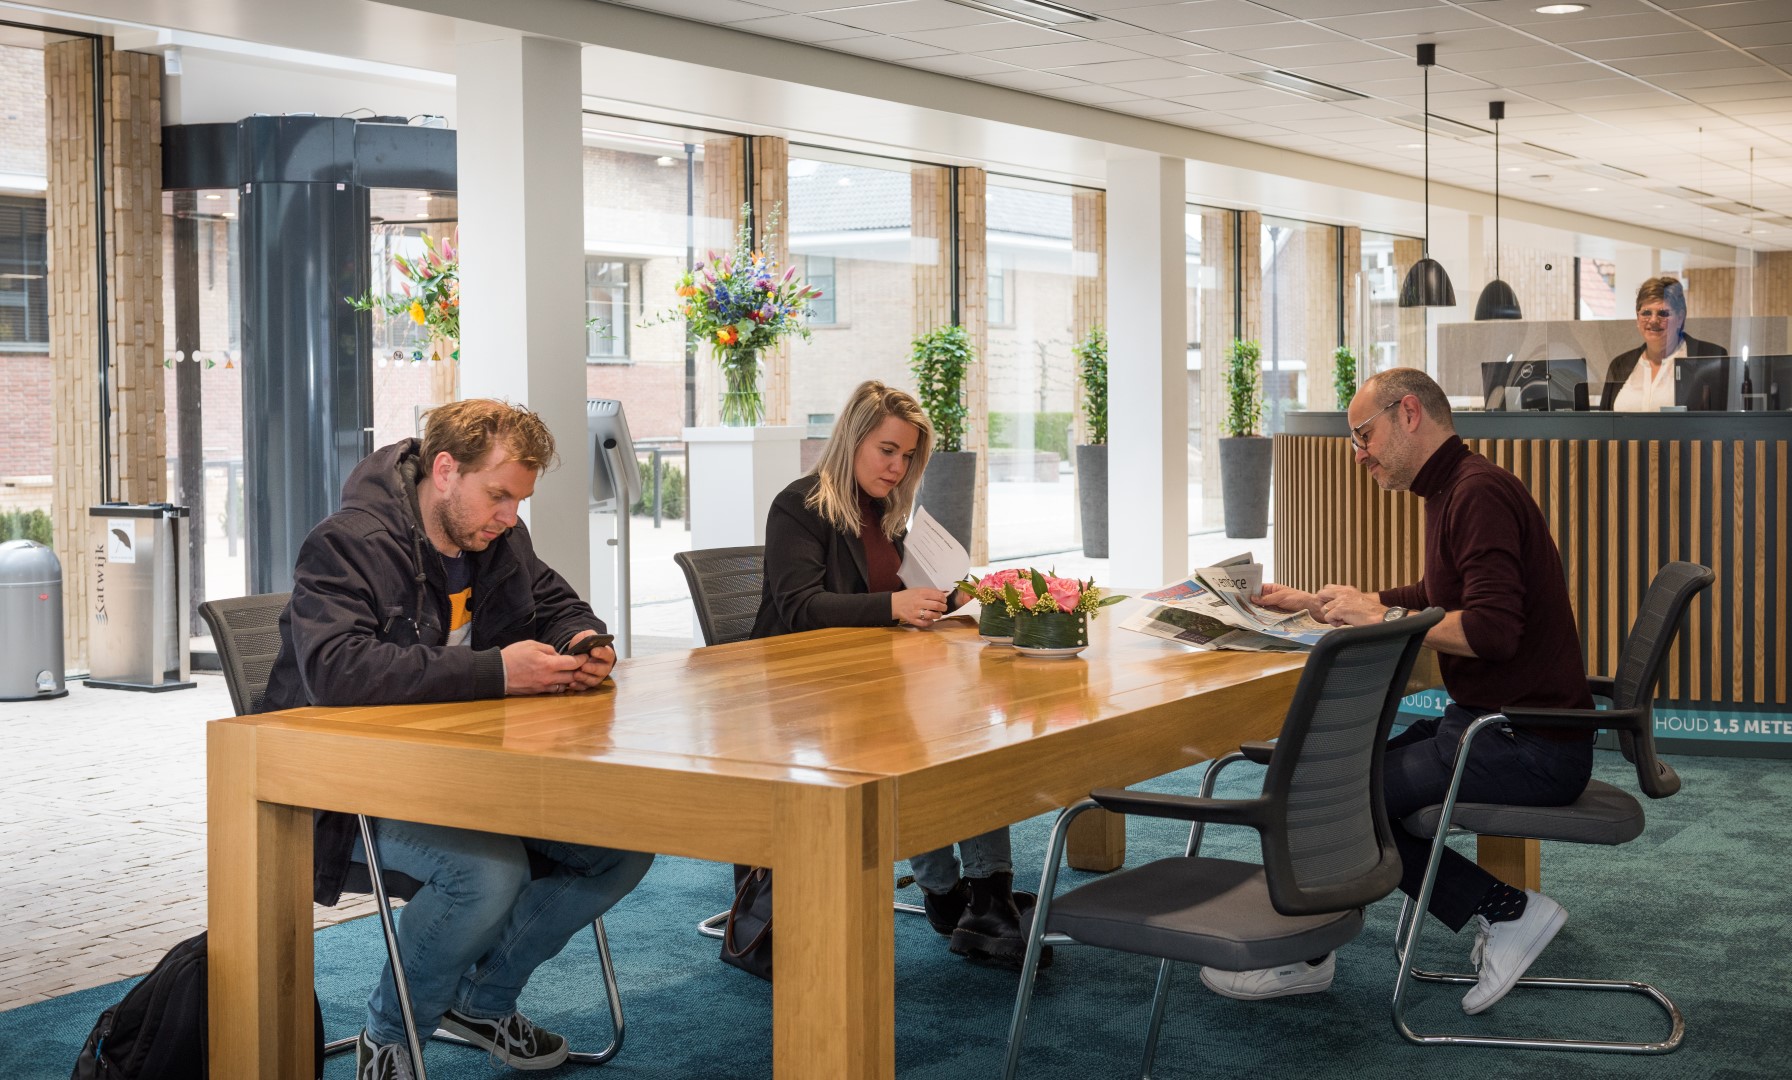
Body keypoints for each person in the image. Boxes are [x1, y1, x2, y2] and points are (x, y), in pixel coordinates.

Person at [262, 398, 655, 1080]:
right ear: (445, 471)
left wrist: (583, 642)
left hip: (466, 775)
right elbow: (339, 669)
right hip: (346, 787)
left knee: (619, 845)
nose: (510, 517)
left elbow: (557, 601)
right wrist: (498, 670)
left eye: (519, 502)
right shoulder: (349, 542)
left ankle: (478, 1002)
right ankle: (390, 1034)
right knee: (486, 873)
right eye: (499, 496)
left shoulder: (499, 538)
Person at [1203, 368, 1591, 1016]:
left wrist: (1378, 617)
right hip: (1493, 727)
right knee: (1332, 781)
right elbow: (1444, 598)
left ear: (1409, 412)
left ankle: (1504, 912)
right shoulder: (1457, 489)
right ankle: (1314, 947)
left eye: (1363, 435)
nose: (1359, 454)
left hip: (1528, 744)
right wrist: (1332, 602)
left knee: (1330, 799)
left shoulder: (1476, 493)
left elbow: (1493, 630)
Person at [751, 379, 1045, 968]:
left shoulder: (883, 511)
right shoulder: (800, 504)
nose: (897, 466)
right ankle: (956, 893)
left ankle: (975, 894)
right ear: (853, 439)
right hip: (802, 687)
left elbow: (894, 588)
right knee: (940, 735)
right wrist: (894, 608)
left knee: (965, 727)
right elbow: (800, 606)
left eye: (908, 456)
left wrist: (954, 594)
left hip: (872, 675)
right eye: (888, 450)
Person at [1601, 276, 1726, 411]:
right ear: (1637, 319)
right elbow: (1602, 424)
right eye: (1646, 313)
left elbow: (1721, 423)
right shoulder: (1619, 365)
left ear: (1680, 317)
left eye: (1663, 313)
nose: (1654, 320)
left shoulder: (1709, 357)